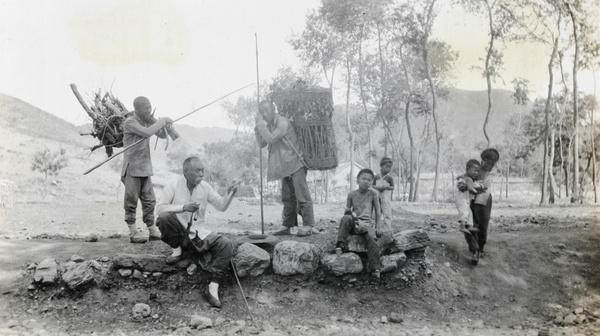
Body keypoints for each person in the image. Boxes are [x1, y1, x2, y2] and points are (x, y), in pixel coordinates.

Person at [155, 156, 238, 308]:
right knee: (163, 217)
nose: (201, 174)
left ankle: (213, 286)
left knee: (225, 244)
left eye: (202, 171)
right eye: (197, 170)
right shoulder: (173, 185)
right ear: (185, 171)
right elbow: (159, 209)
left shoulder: (205, 187)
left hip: (199, 234)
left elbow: (221, 206)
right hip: (179, 234)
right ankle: (177, 251)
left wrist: (230, 193)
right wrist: (183, 207)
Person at [254, 100, 315, 236]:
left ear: (273, 109)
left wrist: (260, 124)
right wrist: (257, 128)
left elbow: (270, 139)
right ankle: (287, 225)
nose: (264, 114)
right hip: (284, 166)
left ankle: (308, 225)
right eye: (262, 111)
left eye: (266, 110)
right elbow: (261, 143)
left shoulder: (282, 122)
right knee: (287, 197)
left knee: (302, 195)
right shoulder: (269, 125)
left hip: (296, 163)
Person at [121, 96, 173, 244]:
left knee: (149, 200)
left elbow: (161, 134)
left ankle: (152, 230)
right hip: (132, 167)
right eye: (146, 108)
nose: (149, 110)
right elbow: (147, 133)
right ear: (136, 110)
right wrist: (162, 121)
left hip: (144, 167)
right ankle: (133, 232)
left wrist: (166, 127)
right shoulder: (130, 121)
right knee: (131, 200)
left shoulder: (147, 120)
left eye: (150, 107)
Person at [335, 168, 383, 278]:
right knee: (345, 218)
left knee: (372, 240)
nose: (366, 182)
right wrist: (348, 212)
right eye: (363, 179)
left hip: (367, 224)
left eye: (369, 180)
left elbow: (378, 212)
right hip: (355, 221)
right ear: (357, 180)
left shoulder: (373, 194)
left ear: (372, 182)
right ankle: (340, 244)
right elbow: (347, 212)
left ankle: (375, 268)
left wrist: (378, 227)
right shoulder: (352, 194)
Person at [458, 148, 499, 265]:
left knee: (482, 226)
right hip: (471, 198)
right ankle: (474, 250)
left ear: (494, 163)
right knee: (469, 223)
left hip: (484, 200)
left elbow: (485, 184)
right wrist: (463, 181)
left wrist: (469, 186)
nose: (487, 165)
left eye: (490, 163)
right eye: (485, 161)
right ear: (483, 160)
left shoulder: (493, 172)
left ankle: (480, 248)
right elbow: (467, 175)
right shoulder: (477, 167)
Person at [455, 159, 481, 234]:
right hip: (462, 199)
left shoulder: (466, 176)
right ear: (467, 169)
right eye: (474, 171)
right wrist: (476, 191)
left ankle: (469, 226)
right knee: (465, 212)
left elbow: (459, 177)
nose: (476, 173)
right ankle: (462, 227)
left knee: (469, 212)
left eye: (478, 171)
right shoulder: (469, 178)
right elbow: (470, 188)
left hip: (465, 199)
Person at [373, 157, 394, 232]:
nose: (388, 169)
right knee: (377, 212)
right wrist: (377, 187)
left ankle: (388, 228)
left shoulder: (389, 178)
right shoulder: (376, 176)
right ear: (381, 166)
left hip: (385, 198)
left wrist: (386, 187)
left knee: (387, 212)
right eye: (387, 167)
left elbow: (392, 187)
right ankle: (376, 228)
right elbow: (372, 185)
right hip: (377, 197)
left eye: (390, 168)